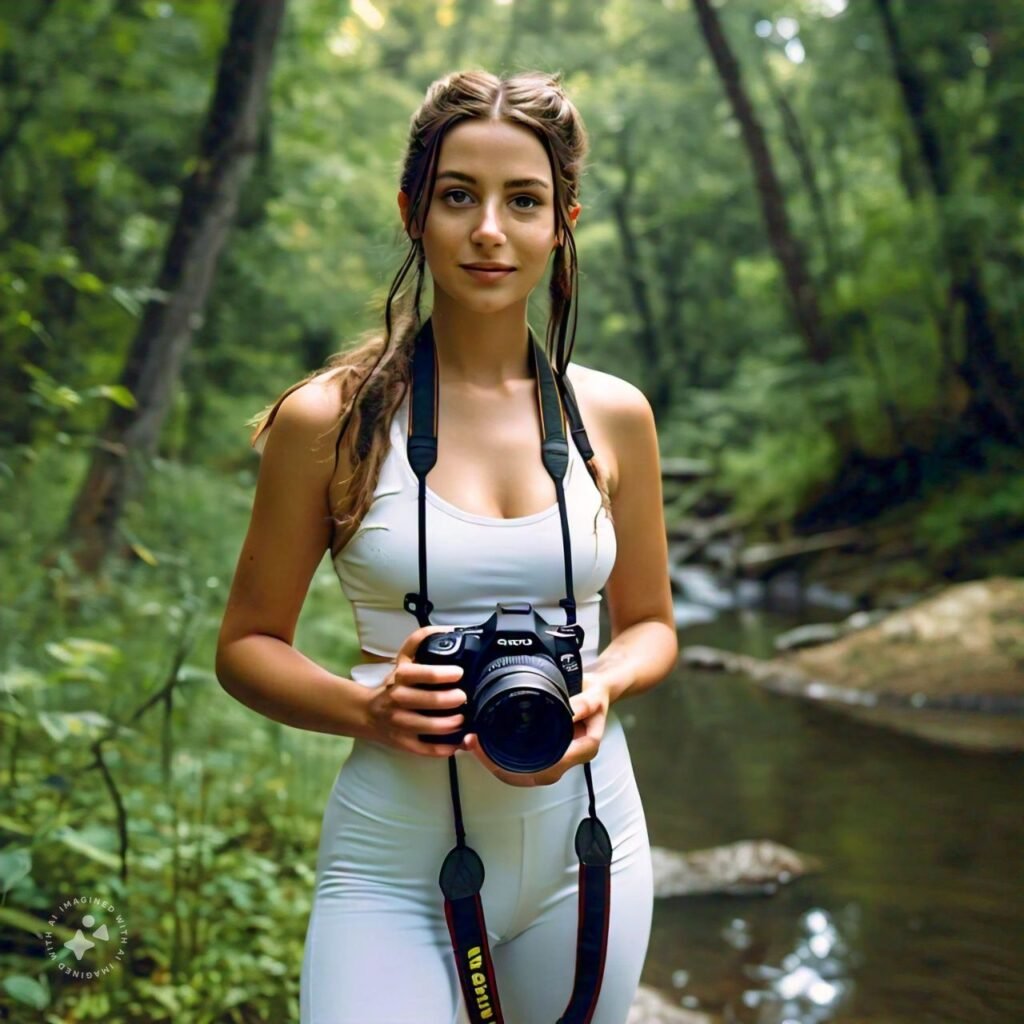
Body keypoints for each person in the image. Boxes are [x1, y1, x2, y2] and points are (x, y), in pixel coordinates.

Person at [215, 69, 678, 1024]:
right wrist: (367, 705)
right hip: (392, 863)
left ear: (565, 221)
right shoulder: (329, 422)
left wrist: (603, 685)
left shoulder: (613, 416)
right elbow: (245, 647)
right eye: (458, 195)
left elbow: (652, 627)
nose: (490, 230)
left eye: (525, 200)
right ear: (412, 212)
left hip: (588, 850)